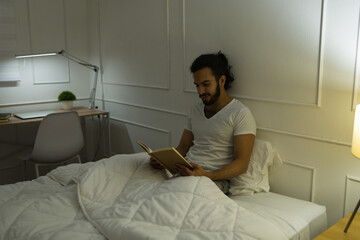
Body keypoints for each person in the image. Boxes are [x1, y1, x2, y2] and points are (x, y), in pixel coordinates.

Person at [150, 51, 256, 193]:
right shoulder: (195, 110)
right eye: (197, 85)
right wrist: (163, 161)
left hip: (212, 181)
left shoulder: (240, 114)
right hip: (186, 174)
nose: (200, 92)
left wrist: (206, 175)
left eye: (206, 84)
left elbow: (242, 164)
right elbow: (183, 147)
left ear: (222, 81)